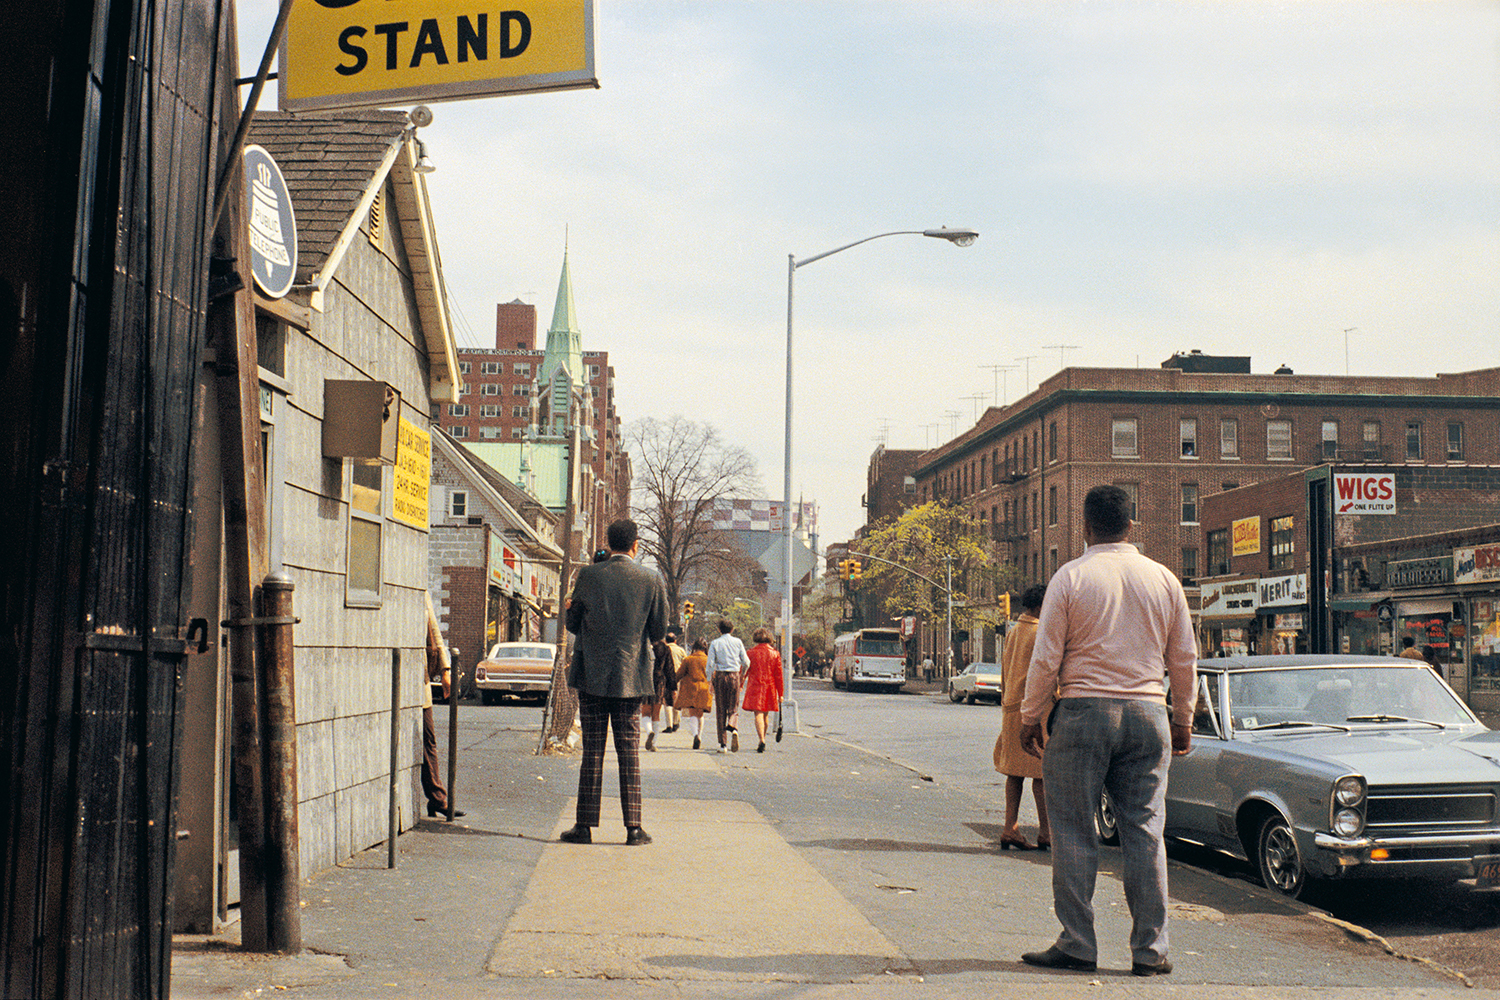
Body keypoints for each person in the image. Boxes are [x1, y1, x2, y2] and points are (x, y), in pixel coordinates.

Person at [1018, 485, 1196, 978]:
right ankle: (1151, 950)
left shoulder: (1071, 577)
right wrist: (1183, 716)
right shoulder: (1164, 579)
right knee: (1145, 830)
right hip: (1147, 712)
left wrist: (1029, 716)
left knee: (1075, 830)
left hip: (1082, 712)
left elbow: (1047, 656)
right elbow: (1183, 657)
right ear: (1131, 526)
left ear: (1086, 526)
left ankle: (1077, 943)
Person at [559, 519, 668, 846]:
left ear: (608, 541)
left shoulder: (589, 576)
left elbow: (575, 624)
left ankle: (584, 826)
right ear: (636, 544)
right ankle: (633, 828)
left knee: (592, 750)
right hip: (631, 677)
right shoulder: (651, 579)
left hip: (592, 673)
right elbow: (659, 631)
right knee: (628, 751)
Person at [994, 585, 1048, 850]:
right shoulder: (1040, 632)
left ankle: (1010, 828)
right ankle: (1046, 832)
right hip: (1034, 711)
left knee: (1014, 774)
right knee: (1041, 773)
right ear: (1041, 605)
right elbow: (1045, 672)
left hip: (1011, 707)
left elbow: (1005, 671)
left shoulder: (1015, 631)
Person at [422, 593, 463, 818]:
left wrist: (446, 669)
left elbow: (434, 629)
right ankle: (437, 798)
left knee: (429, 739)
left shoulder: (422, 591)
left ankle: (437, 799)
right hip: (404, 676)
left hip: (422, 678)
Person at [706, 618, 750, 752]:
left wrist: (709, 680)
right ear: (732, 630)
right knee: (733, 706)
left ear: (719, 630)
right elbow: (746, 662)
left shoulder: (715, 643)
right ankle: (733, 728)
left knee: (721, 709)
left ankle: (723, 744)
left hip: (720, 676)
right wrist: (742, 676)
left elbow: (710, 664)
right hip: (734, 675)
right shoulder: (738, 642)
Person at [741, 627, 785, 753]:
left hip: (755, 685)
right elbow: (779, 676)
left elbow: (745, 670)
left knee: (758, 713)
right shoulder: (775, 654)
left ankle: (761, 739)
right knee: (765, 714)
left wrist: (741, 683)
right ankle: (763, 737)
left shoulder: (750, 653)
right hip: (770, 686)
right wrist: (780, 693)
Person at [640, 637, 679, 751]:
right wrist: (673, 688)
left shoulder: (644, 645)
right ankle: (653, 742)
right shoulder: (665, 649)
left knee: (645, 711)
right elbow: (670, 669)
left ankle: (649, 731)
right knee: (656, 713)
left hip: (646, 680)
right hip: (660, 682)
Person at [674, 638, 713, 749]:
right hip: (704, 689)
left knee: (692, 713)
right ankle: (699, 736)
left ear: (694, 647)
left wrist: (672, 684)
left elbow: (679, 674)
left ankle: (695, 734)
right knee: (700, 714)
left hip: (690, 688)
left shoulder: (688, 659)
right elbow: (713, 675)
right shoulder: (708, 660)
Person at [662, 632, 687, 732]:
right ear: (675, 641)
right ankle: (676, 722)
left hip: (665, 678)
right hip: (678, 677)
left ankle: (669, 725)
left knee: (667, 702)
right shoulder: (681, 650)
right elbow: (685, 663)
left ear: (666, 640)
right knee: (676, 700)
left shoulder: (663, 649)